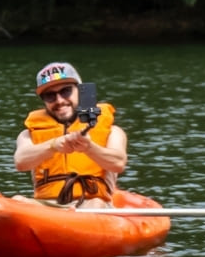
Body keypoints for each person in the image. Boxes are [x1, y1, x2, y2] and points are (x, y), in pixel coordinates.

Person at [12, 61, 126, 208]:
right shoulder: (27, 135)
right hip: (46, 205)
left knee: (96, 204)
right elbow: (21, 162)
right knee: (17, 200)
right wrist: (53, 145)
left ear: (80, 91)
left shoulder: (113, 131)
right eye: (50, 96)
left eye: (66, 91)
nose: (59, 100)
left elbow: (118, 163)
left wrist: (89, 148)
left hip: (91, 203)